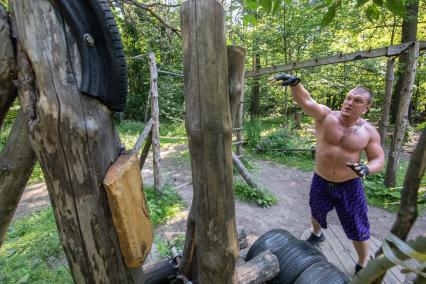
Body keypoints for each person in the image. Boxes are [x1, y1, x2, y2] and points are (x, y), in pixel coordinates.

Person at [271, 73, 385, 274]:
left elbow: (378, 160)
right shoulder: (325, 116)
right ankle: (316, 234)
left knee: (358, 224)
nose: (349, 103)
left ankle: (363, 262)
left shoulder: (368, 132)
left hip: (349, 185)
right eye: (348, 98)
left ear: (366, 107)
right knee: (316, 209)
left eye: (357, 101)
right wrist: (296, 84)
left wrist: (367, 168)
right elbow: (307, 101)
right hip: (321, 179)